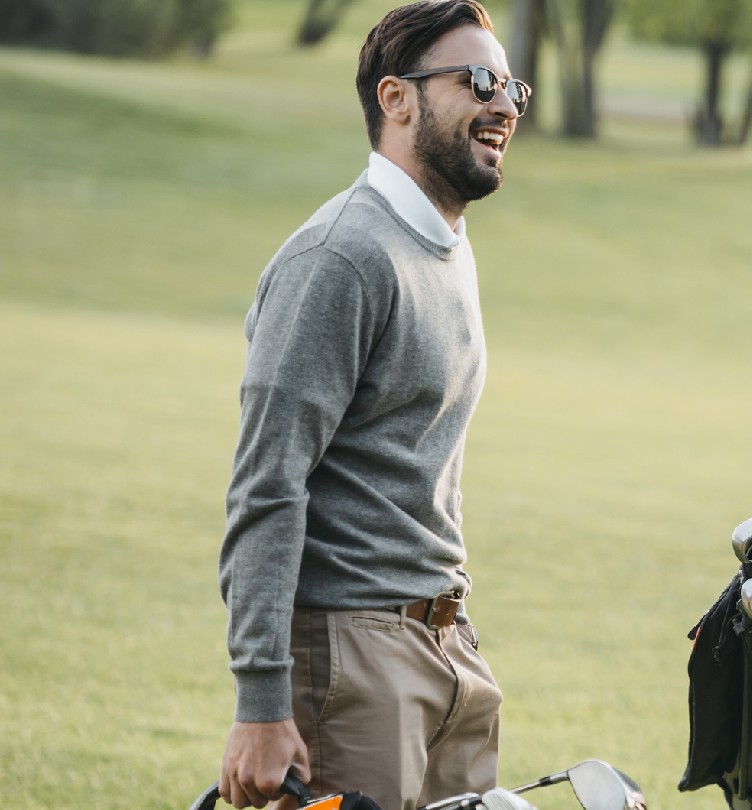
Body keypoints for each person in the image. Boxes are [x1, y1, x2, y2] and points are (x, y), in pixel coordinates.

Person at [215, 1, 527, 807]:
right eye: (480, 81)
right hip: (351, 656)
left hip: (447, 644)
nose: (504, 106)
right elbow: (267, 484)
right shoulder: (342, 257)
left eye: (514, 89)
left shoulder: (444, 245)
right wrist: (261, 702)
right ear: (397, 100)